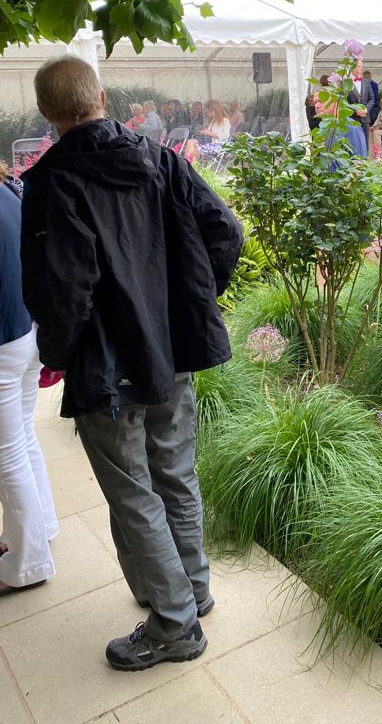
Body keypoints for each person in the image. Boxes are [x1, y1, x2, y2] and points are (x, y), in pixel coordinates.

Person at [21, 56, 243, 671]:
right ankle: (189, 590)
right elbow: (225, 232)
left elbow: (62, 287)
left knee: (134, 492)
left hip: (107, 367)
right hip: (170, 353)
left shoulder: (51, 183)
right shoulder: (161, 157)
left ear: (46, 113)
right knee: (174, 472)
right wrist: (186, 309)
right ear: (103, 96)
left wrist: (58, 355)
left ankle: (175, 625)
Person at [0, 161, 58, 597]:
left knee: (8, 456)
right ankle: (42, 528)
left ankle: (28, 562)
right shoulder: (8, 190)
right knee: (21, 440)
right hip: (27, 334)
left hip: (5, 340)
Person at [348, 63, 375, 150]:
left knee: (365, 144)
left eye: (359, 66)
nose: (357, 69)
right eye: (355, 66)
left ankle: (365, 162)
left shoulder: (367, 82)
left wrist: (365, 110)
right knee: (352, 143)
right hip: (352, 118)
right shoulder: (346, 82)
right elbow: (343, 101)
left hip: (365, 118)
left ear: (362, 68)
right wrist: (356, 110)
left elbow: (372, 99)